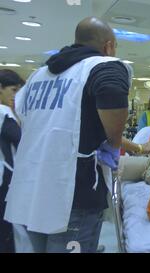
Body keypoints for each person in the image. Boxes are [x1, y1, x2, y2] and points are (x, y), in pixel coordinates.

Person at [4, 17, 131, 253]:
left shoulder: (37, 76)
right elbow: (112, 87)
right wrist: (113, 144)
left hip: (32, 188)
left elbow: (23, 116)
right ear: (109, 46)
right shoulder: (102, 66)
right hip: (73, 193)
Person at [0, 69, 26, 253]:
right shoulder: (4, 113)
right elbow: (22, 140)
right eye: (13, 90)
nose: (16, 96)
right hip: (6, 180)